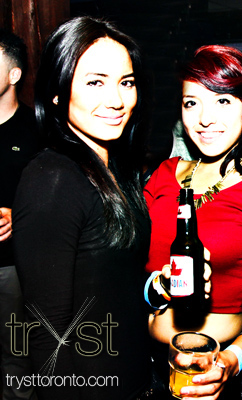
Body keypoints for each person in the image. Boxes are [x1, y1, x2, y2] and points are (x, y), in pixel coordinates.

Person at [143, 45, 242, 399]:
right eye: (191, 103)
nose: (205, 118)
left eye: (222, 101)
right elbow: (134, 268)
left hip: (214, 365)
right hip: (143, 361)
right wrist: (157, 287)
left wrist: (234, 360)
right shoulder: (164, 175)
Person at [13, 17, 154, 399]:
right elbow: (45, 335)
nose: (117, 100)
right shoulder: (52, 180)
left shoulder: (115, 168)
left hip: (136, 382)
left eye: (126, 82)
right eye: (95, 82)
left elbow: (112, 284)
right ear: (57, 93)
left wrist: (159, 287)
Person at [0, 29, 38, 400]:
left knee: (17, 359)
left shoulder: (36, 130)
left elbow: (57, 201)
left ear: (14, 74)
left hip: (14, 267)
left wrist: (19, 215)